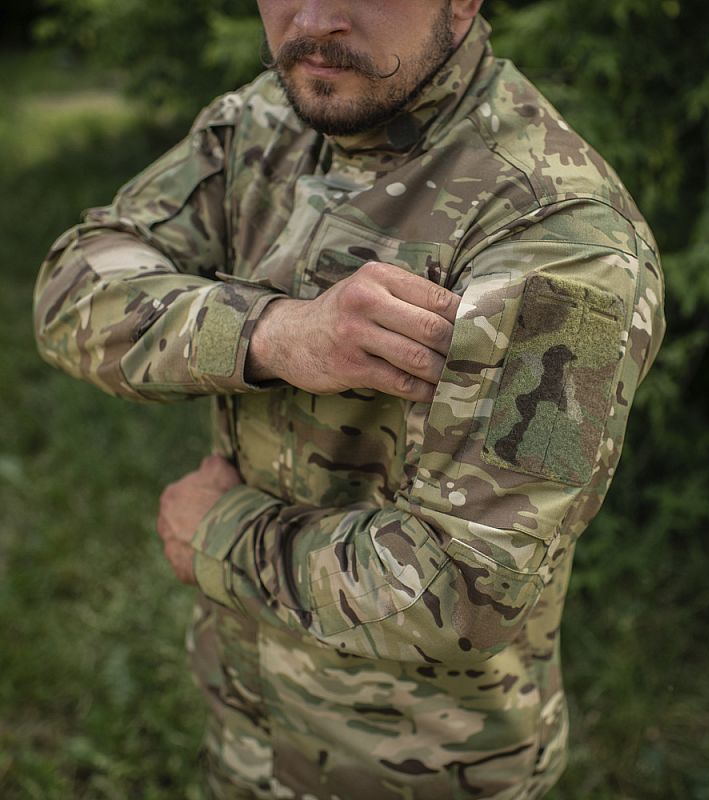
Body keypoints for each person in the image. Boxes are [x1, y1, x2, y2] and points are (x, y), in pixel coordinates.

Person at [33, 1, 666, 797]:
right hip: (244, 725)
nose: (313, 17)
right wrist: (269, 332)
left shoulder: (559, 241)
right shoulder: (264, 122)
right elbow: (71, 287)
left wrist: (216, 534)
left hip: (421, 770)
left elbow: (461, 594)